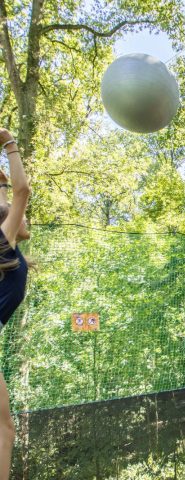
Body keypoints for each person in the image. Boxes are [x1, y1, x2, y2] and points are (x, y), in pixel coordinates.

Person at [0, 128, 31, 480]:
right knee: (4, 430)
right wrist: (9, 142)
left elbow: (11, 195)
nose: (25, 218)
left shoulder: (7, 250)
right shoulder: (1, 243)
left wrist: (2, 183)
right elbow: (23, 191)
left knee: (4, 429)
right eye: (19, 215)